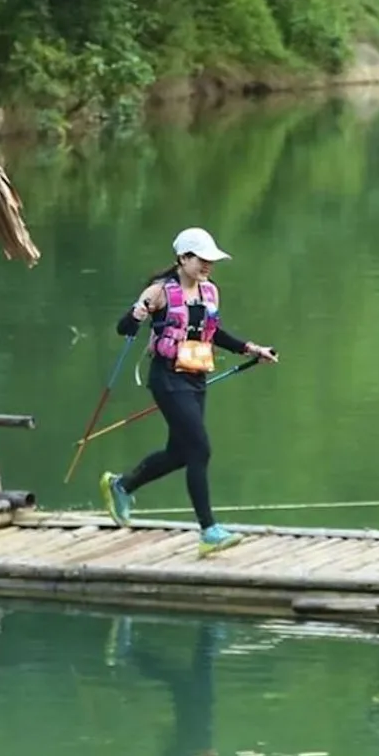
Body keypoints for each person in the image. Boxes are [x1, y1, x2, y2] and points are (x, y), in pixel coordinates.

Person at [100, 226, 276, 556]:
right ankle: (209, 531)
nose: (208, 265)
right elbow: (124, 328)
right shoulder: (159, 292)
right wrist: (137, 314)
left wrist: (252, 348)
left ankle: (121, 485)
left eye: (212, 260)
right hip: (167, 379)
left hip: (195, 377)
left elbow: (215, 333)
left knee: (181, 453)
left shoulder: (210, 292)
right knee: (200, 449)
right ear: (183, 258)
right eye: (202, 259)